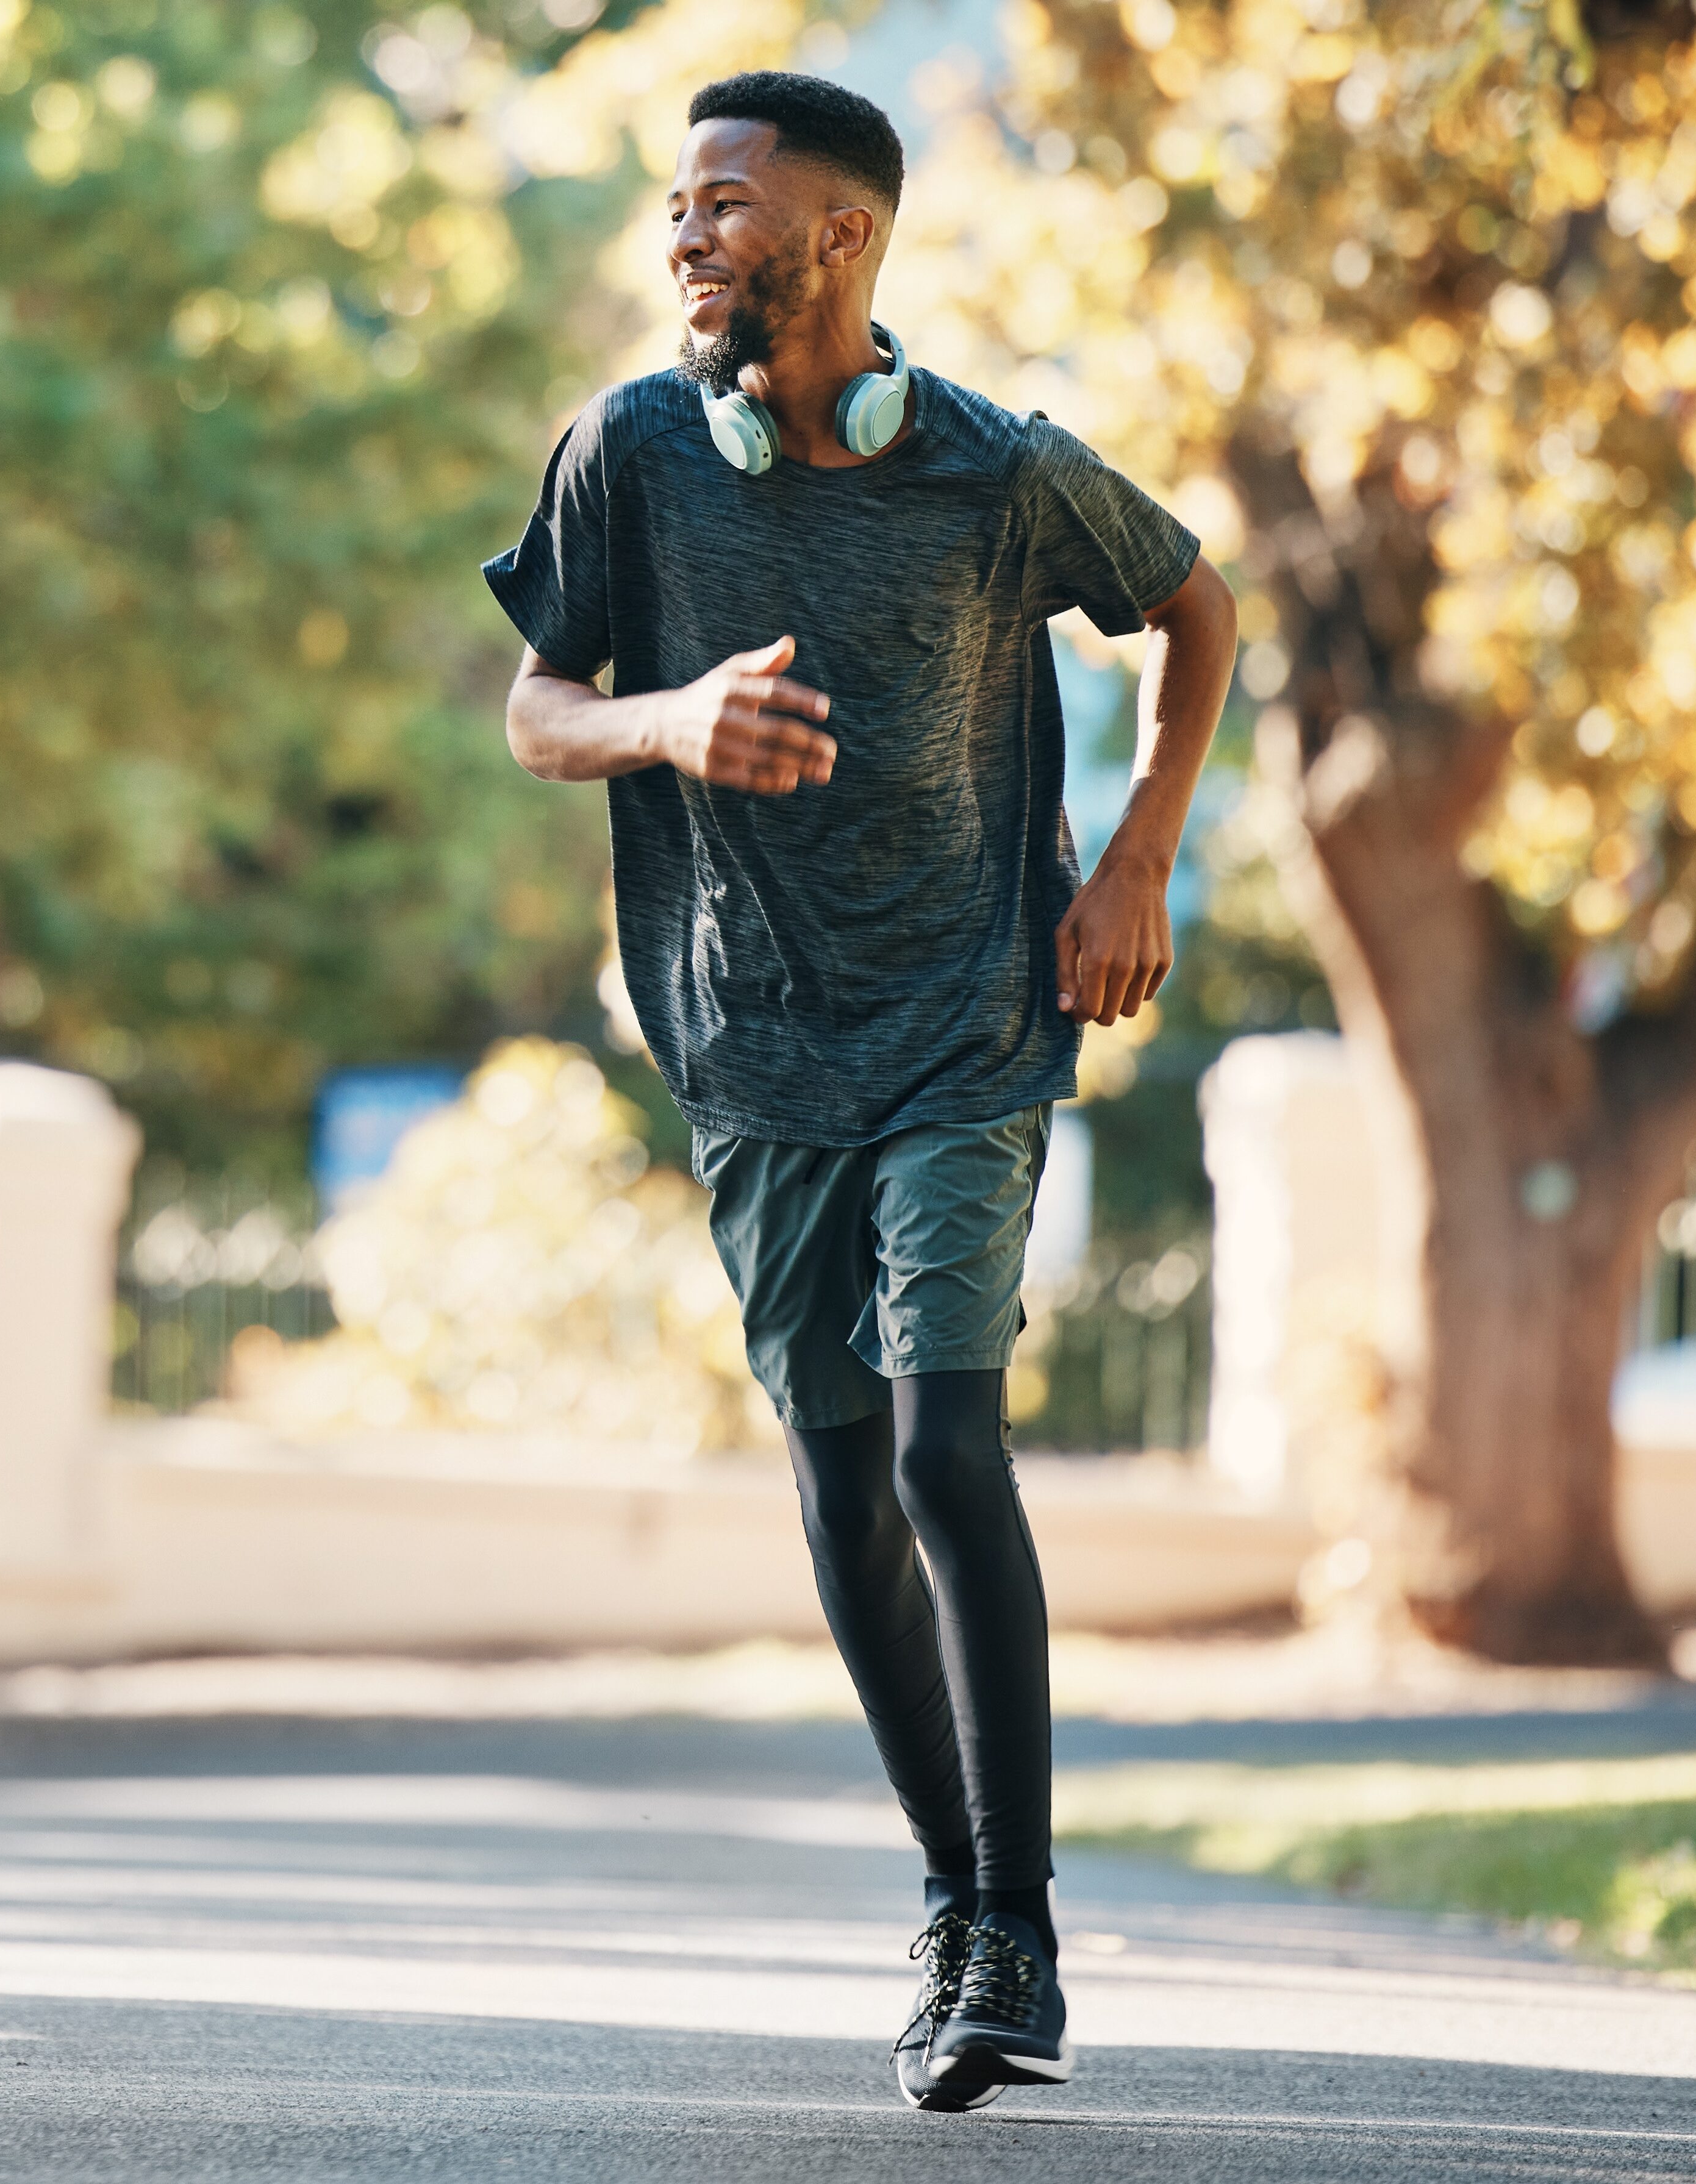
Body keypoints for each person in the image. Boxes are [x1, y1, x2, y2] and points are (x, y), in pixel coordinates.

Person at [479, 72, 1232, 2110]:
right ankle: (951, 1892)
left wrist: (1139, 855)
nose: (683, 234)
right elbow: (539, 711)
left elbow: (1194, 599)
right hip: (747, 1044)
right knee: (831, 1474)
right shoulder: (632, 453)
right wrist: (668, 722)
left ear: (839, 236)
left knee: (936, 1449)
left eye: (722, 202)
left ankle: (1020, 1931)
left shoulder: (987, 469)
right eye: (674, 203)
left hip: (972, 1027)